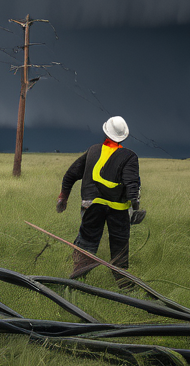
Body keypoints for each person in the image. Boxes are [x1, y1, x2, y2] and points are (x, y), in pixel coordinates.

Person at [55, 116, 145, 287]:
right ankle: (124, 285)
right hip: (118, 209)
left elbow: (70, 175)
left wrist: (63, 198)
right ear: (124, 136)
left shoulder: (93, 150)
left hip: (91, 205)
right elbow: (132, 183)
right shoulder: (129, 156)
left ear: (105, 132)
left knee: (87, 242)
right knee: (119, 246)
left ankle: (76, 282)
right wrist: (136, 207)